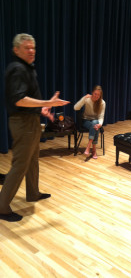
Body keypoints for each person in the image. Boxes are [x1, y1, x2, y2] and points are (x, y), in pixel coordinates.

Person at [0, 33, 70, 222]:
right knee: (20, 165)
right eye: (27, 48)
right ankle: (2, 207)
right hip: (23, 124)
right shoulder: (17, 69)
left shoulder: (26, 68)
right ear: (16, 50)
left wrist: (42, 109)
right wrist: (48, 102)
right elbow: (19, 100)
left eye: (33, 48)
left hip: (29, 121)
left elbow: (26, 100)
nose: (32, 51)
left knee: (33, 160)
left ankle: (33, 193)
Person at [74, 85, 106, 159]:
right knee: (94, 125)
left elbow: (101, 117)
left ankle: (89, 146)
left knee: (95, 123)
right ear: (92, 93)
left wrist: (100, 124)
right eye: (95, 94)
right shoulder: (87, 99)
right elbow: (75, 108)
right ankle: (94, 150)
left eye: (98, 95)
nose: (96, 96)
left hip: (95, 121)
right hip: (85, 120)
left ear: (100, 95)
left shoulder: (102, 103)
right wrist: (84, 98)